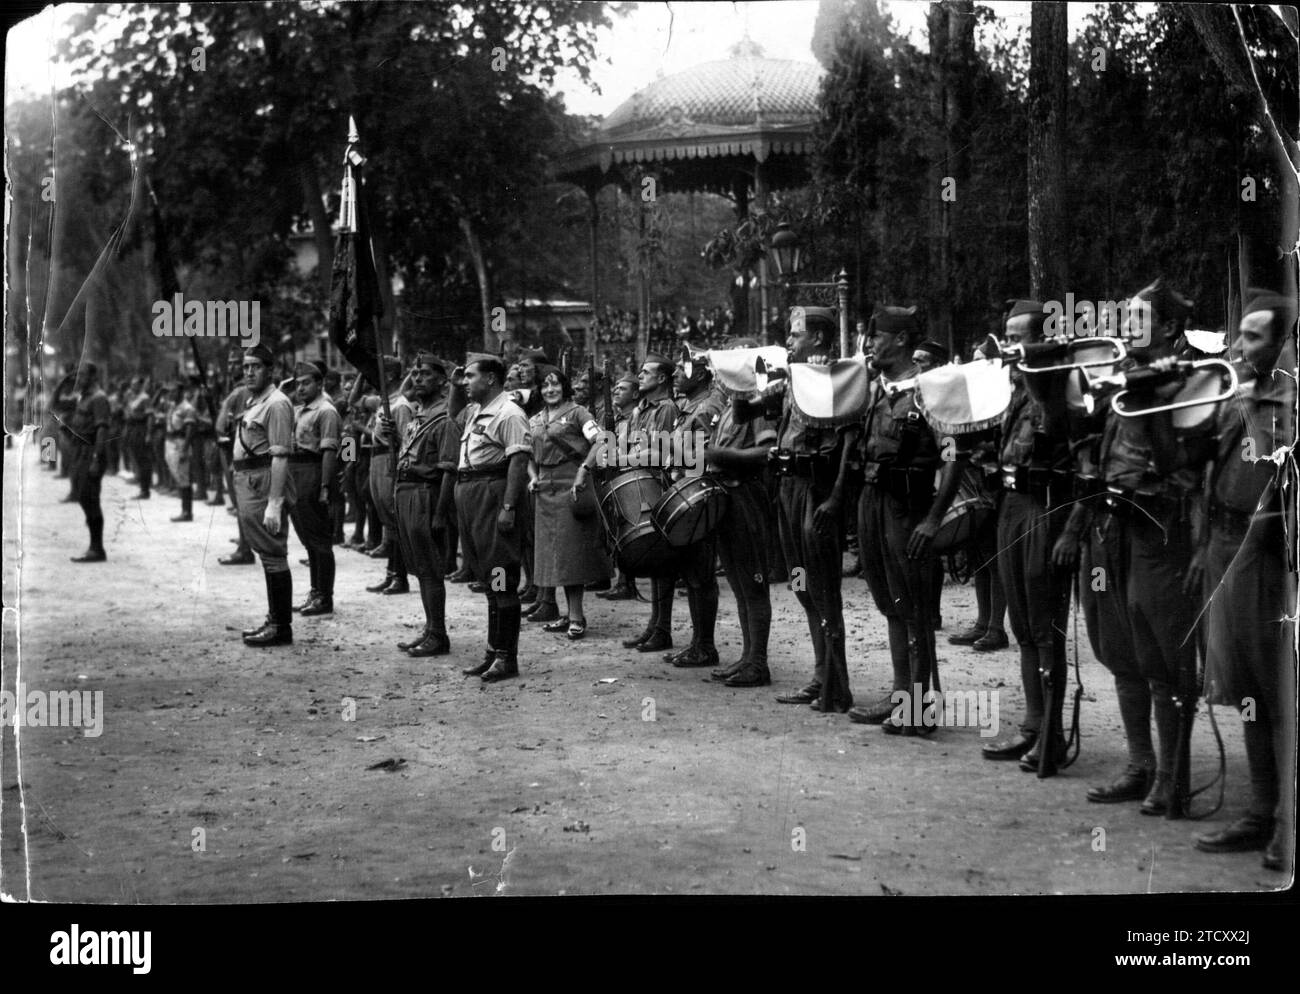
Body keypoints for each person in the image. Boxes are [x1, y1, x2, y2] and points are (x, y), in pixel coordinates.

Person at [1184, 289, 1296, 871]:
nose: (1238, 345)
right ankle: (1259, 810)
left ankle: (1287, 823)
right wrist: (1206, 546)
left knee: (1280, 694)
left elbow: (1286, 496)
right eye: (1239, 334)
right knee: (1247, 689)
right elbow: (1204, 472)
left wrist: (1249, 550)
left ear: (1280, 342)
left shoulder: (1290, 404)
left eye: (1253, 337)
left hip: (1271, 560)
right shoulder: (1235, 397)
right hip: (1225, 546)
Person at [848, 305, 964, 731]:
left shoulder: (929, 391)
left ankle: (919, 706)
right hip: (872, 502)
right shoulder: (875, 390)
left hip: (907, 509)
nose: (870, 344)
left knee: (913, 608)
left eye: (876, 336)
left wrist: (933, 519)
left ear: (899, 340)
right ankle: (902, 695)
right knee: (891, 606)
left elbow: (953, 457)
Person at [977, 300, 1074, 772]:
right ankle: (1034, 724)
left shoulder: (1057, 387)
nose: (1011, 346)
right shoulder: (1013, 390)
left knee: (1044, 627)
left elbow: (1070, 450)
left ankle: (1052, 734)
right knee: (1022, 625)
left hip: (1044, 506)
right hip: (1013, 506)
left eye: (1021, 337)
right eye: (1009, 336)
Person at [749, 307, 859, 713]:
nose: (789, 343)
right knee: (801, 586)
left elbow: (848, 443)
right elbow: (756, 412)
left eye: (796, 336)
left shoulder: (836, 378)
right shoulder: (796, 379)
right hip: (789, 489)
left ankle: (836, 683)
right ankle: (821, 675)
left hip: (817, 490)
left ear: (817, 338)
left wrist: (836, 498)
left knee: (824, 589)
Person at [592, 353, 680, 654]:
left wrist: (619, 458)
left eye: (646, 372)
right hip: (641, 484)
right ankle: (655, 626)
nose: (640, 376)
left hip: (658, 485)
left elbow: (662, 453)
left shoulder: (666, 409)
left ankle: (663, 628)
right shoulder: (644, 409)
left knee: (664, 561)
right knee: (656, 561)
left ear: (662, 379)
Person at [454, 355, 532, 682]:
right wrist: (454, 383)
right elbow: (452, 416)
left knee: (501, 574)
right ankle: (492, 650)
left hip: (494, 491)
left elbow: (518, 462)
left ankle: (506, 657)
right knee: (488, 577)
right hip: (471, 491)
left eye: (470, 376)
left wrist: (509, 507)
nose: (464, 381)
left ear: (490, 379)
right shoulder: (475, 411)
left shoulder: (509, 413)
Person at [706, 337, 778, 687]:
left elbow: (768, 453)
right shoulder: (731, 405)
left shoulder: (757, 404)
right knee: (737, 581)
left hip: (747, 496)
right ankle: (748, 657)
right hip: (727, 497)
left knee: (753, 582)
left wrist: (721, 457)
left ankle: (758, 662)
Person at [381, 352, 459, 656]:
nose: (417, 379)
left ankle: (438, 634)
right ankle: (430, 628)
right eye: (415, 373)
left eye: (425, 374)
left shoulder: (444, 419)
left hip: (426, 495)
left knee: (430, 569)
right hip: (407, 491)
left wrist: (440, 514)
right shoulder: (418, 414)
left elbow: (448, 471)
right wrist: (395, 436)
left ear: (441, 381)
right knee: (419, 568)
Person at [523, 366, 604, 639]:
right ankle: (564, 614)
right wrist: (532, 477)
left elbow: (603, 440)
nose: (550, 390)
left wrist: (584, 470)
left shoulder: (578, 413)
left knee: (572, 554)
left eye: (555, 385)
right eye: (545, 386)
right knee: (550, 554)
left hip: (572, 486)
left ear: (565, 386)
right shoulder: (534, 419)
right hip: (545, 490)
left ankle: (577, 617)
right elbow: (527, 455)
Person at [659, 351, 726, 667]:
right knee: (693, 574)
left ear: (701, 375)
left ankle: (706, 646)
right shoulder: (688, 408)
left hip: (700, 496)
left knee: (701, 574)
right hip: (686, 496)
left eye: (682, 370)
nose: (674, 375)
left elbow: (706, 454)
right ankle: (699, 643)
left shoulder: (709, 407)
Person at [232, 344, 297, 647]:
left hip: (262, 483)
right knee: (265, 552)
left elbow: (281, 455)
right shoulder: (255, 400)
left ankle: (281, 626)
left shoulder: (277, 403)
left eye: (255, 366)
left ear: (270, 370)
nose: (248, 372)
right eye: (245, 367)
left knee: (273, 553)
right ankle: (274, 618)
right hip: (249, 481)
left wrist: (275, 502)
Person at [287, 361, 342, 616]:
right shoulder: (300, 411)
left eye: (305, 383)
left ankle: (324, 596)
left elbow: (331, 451)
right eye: (297, 383)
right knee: (308, 539)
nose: (300, 388)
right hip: (297, 473)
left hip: (313, 471)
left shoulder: (327, 410)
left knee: (319, 540)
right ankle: (314, 591)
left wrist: (325, 486)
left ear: (320, 384)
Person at [364, 358, 413, 594]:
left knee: (394, 518)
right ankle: (391, 573)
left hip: (390, 461)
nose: (372, 377)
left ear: (391, 375)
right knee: (386, 518)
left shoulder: (400, 405)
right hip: (377, 458)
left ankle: (400, 576)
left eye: (378, 372)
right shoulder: (385, 401)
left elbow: (407, 443)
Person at [593, 373, 642, 602]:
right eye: (615, 388)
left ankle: (627, 582)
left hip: (628, 474)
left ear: (634, 394)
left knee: (625, 527)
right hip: (613, 473)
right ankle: (623, 581)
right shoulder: (614, 417)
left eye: (621, 389)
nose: (616, 392)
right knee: (614, 528)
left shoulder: (635, 416)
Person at [67, 363, 111, 563]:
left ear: (93, 377)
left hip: (91, 452)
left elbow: (102, 430)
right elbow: (53, 406)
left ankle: (97, 548)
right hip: (79, 452)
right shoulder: (82, 397)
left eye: (83, 375)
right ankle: (94, 545)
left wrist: (96, 459)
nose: (79, 378)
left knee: (90, 498)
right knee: (83, 496)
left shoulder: (99, 398)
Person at [164, 380, 199, 522]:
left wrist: (184, 449)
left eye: (173, 391)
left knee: (184, 477)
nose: (171, 393)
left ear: (180, 391)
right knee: (178, 476)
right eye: (170, 391)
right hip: (171, 442)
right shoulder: (173, 406)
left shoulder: (187, 408)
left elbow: (190, 430)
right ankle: (184, 509)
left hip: (180, 442)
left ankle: (187, 511)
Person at [125, 376, 153, 500]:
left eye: (135, 384)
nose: (132, 386)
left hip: (141, 429)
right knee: (136, 459)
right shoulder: (132, 397)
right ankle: (142, 487)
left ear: (140, 385)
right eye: (132, 384)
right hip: (132, 429)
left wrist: (148, 434)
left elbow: (150, 416)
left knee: (143, 461)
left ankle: (145, 490)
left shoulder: (145, 398)